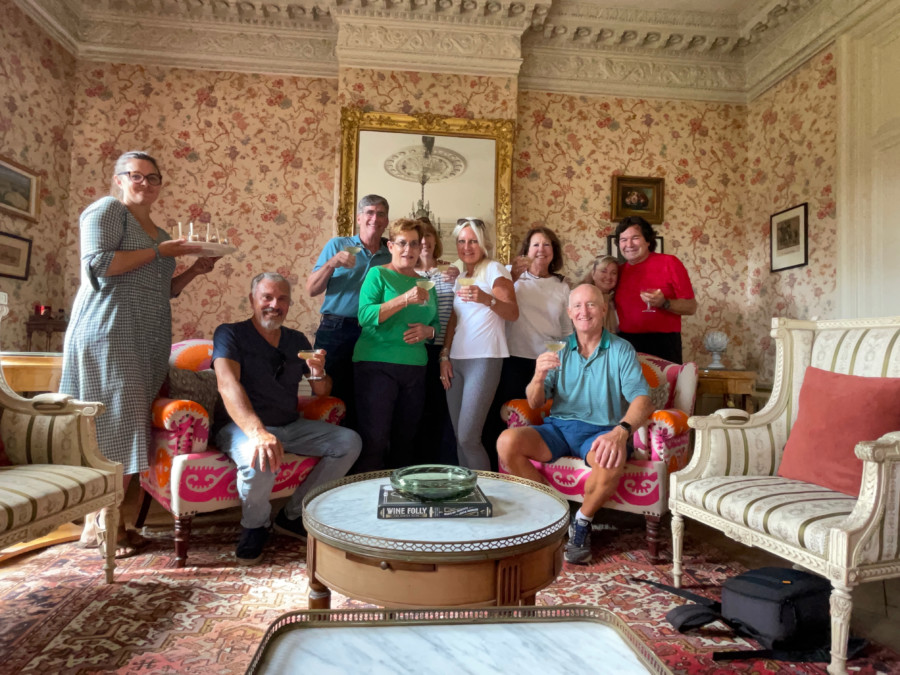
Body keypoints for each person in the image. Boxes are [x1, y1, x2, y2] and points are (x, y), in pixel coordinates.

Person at [61, 150, 217, 558]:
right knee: (115, 426)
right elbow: (98, 265)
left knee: (128, 426)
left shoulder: (157, 230)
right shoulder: (108, 211)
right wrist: (162, 252)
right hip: (110, 332)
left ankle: (110, 521)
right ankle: (103, 524)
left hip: (145, 337)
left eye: (153, 177)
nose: (145, 183)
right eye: (136, 175)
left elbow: (161, 290)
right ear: (118, 179)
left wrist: (193, 271)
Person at [497, 284, 653, 565]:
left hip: (601, 432)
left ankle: (582, 522)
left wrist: (621, 432)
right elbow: (534, 403)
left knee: (610, 456)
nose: (584, 311)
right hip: (558, 428)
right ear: (569, 313)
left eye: (591, 304)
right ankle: (559, 512)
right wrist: (537, 375)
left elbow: (642, 398)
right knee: (506, 442)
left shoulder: (621, 350)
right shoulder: (560, 349)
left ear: (603, 310)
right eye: (578, 306)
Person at [213, 273, 362, 565]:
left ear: (289, 304)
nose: (274, 304)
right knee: (262, 455)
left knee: (349, 441)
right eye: (267, 297)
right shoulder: (230, 333)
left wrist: (318, 371)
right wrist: (257, 432)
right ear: (252, 300)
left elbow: (322, 392)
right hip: (241, 427)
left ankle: (292, 515)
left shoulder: (297, 339)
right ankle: (255, 526)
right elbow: (227, 384)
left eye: (282, 299)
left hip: (290, 424)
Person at [352, 219, 440, 472]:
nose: (408, 250)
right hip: (376, 364)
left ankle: (399, 498)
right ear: (390, 246)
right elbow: (365, 316)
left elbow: (435, 325)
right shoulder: (378, 274)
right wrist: (403, 299)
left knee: (406, 439)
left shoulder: (426, 284)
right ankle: (368, 501)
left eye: (414, 244)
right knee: (375, 440)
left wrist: (429, 331)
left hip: (415, 368)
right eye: (402, 243)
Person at [481, 227, 571, 468]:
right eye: (535, 245)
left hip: (549, 362)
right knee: (504, 417)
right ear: (526, 250)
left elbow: (566, 330)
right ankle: (500, 469)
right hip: (513, 359)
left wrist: (568, 358)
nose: (541, 250)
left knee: (541, 419)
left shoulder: (562, 286)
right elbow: (490, 303)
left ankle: (536, 471)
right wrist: (511, 276)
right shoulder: (511, 276)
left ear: (554, 251)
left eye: (546, 245)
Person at [439, 217, 519, 470]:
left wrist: (486, 299)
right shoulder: (462, 275)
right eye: (462, 241)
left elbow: (513, 312)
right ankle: (467, 495)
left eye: (473, 241)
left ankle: (485, 495)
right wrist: (444, 356)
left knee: (468, 437)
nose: (467, 246)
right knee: (459, 438)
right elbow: (454, 319)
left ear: (484, 244)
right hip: (455, 361)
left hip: (484, 359)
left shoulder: (495, 269)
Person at [306, 195, 391, 426]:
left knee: (367, 397)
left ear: (386, 221)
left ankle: (361, 456)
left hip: (374, 332)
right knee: (327, 395)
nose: (375, 218)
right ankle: (328, 449)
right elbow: (312, 289)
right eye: (370, 212)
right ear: (359, 218)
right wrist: (332, 263)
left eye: (381, 214)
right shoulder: (337, 245)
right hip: (335, 328)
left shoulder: (391, 253)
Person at [614, 216, 697, 363]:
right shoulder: (618, 271)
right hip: (626, 343)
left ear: (648, 240)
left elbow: (691, 307)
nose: (629, 244)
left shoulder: (670, 263)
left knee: (665, 386)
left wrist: (665, 303)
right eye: (623, 239)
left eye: (635, 238)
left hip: (663, 343)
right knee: (629, 386)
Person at [413, 217, 458, 465]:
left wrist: (446, 353)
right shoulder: (406, 273)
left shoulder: (451, 271)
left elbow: (456, 312)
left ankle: (442, 466)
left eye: (428, 235)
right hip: (414, 351)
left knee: (442, 411)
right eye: (418, 237)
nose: (424, 241)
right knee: (416, 409)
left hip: (443, 350)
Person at [582, 254, 619, 334]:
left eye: (614, 273)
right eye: (603, 271)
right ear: (593, 274)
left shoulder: (617, 300)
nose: (608, 277)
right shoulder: (582, 298)